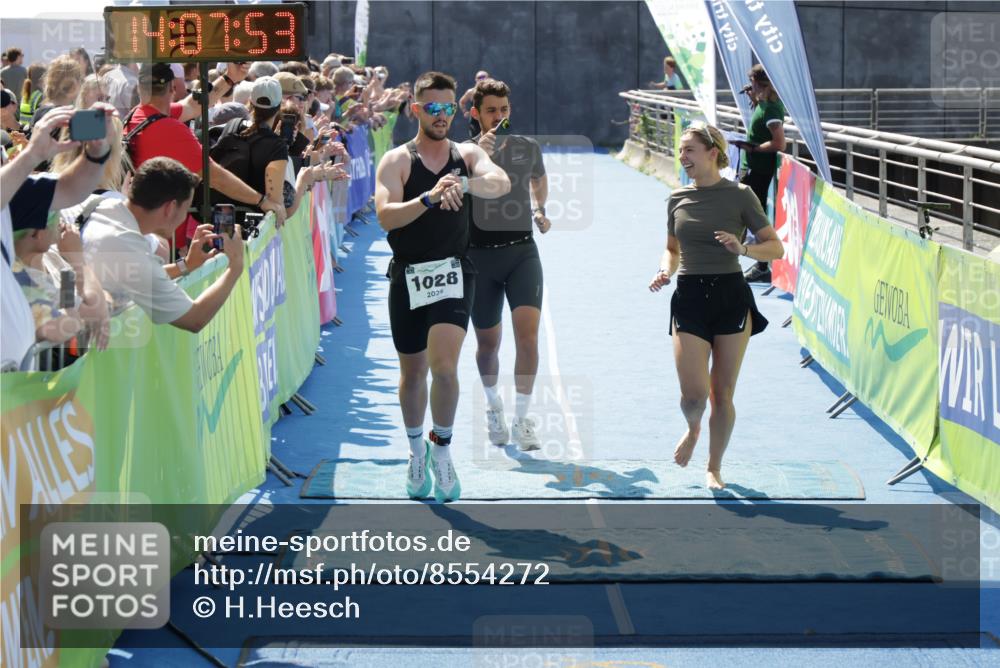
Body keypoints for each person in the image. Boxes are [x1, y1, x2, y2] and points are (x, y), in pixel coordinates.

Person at [374, 71, 511, 502]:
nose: (441, 116)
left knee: (445, 367)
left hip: (454, 272)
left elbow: (501, 182)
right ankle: (416, 450)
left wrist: (464, 183)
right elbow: (386, 216)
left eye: (448, 108)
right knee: (413, 372)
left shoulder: (465, 153)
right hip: (407, 275)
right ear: (416, 109)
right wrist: (429, 198)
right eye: (432, 108)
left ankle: (442, 449)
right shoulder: (396, 160)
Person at [648, 122, 784, 490]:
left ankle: (714, 467)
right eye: (680, 150)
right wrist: (664, 270)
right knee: (694, 396)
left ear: (712, 153)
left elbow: (776, 248)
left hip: (730, 296)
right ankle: (694, 427)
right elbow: (672, 249)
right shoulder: (677, 198)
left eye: (689, 150)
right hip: (690, 296)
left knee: (722, 394)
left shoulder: (740, 195)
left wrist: (744, 249)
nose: (682, 156)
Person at [466, 79, 550, 451]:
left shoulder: (526, 147)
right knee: (488, 344)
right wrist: (476, 160)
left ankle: (521, 419)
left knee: (528, 338)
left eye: (503, 109)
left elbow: (539, 179)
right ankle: (494, 409)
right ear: (476, 113)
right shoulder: (463, 152)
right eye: (491, 111)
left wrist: (540, 209)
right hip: (478, 257)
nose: (498, 117)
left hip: (522, 253)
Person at [1, 103, 118, 370]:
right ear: (35, 232)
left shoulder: (45, 260)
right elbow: (59, 326)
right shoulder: (24, 269)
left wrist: (97, 151)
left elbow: (72, 188)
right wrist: (31, 155)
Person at [123, 63, 284, 250]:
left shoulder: (137, 115)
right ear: (172, 88)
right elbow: (214, 176)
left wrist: (229, 78)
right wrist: (262, 201)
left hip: (142, 232)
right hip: (162, 243)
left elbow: (193, 105)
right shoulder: (171, 129)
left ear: (140, 89)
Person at [83, 157, 245, 333]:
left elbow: (139, 276)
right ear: (170, 208)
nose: (184, 217)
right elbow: (194, 319)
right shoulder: (130, 251)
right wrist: (236, 265)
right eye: (185, 209)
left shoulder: (102, 204)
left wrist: (186, 265)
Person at [730, 64, 786, 283]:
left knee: (749, 216)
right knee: (747, 214)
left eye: (751, 83)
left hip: (758, 169)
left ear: (759, 83)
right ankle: (756, 263)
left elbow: (779, 143)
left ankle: (757, 265)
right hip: (752, 167)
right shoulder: (764, 103)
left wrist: (753, 148)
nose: (749, 86)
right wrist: (755, 100)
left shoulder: (771, 109)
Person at [31, 55, 83, 129]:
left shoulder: (39, 112)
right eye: (80, 80)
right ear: (73, 85)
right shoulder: (67, 117)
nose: (81, 84)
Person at [459, 70, 489, 136]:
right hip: (475, 122)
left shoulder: (491, 92)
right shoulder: (471, 92)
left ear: (488, 78)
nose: (482, 79)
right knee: (475, 139)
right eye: (479, 77)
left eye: (483, 77)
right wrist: (465, 111)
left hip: (487, 120)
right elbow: (462, 102)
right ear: (476, 79)